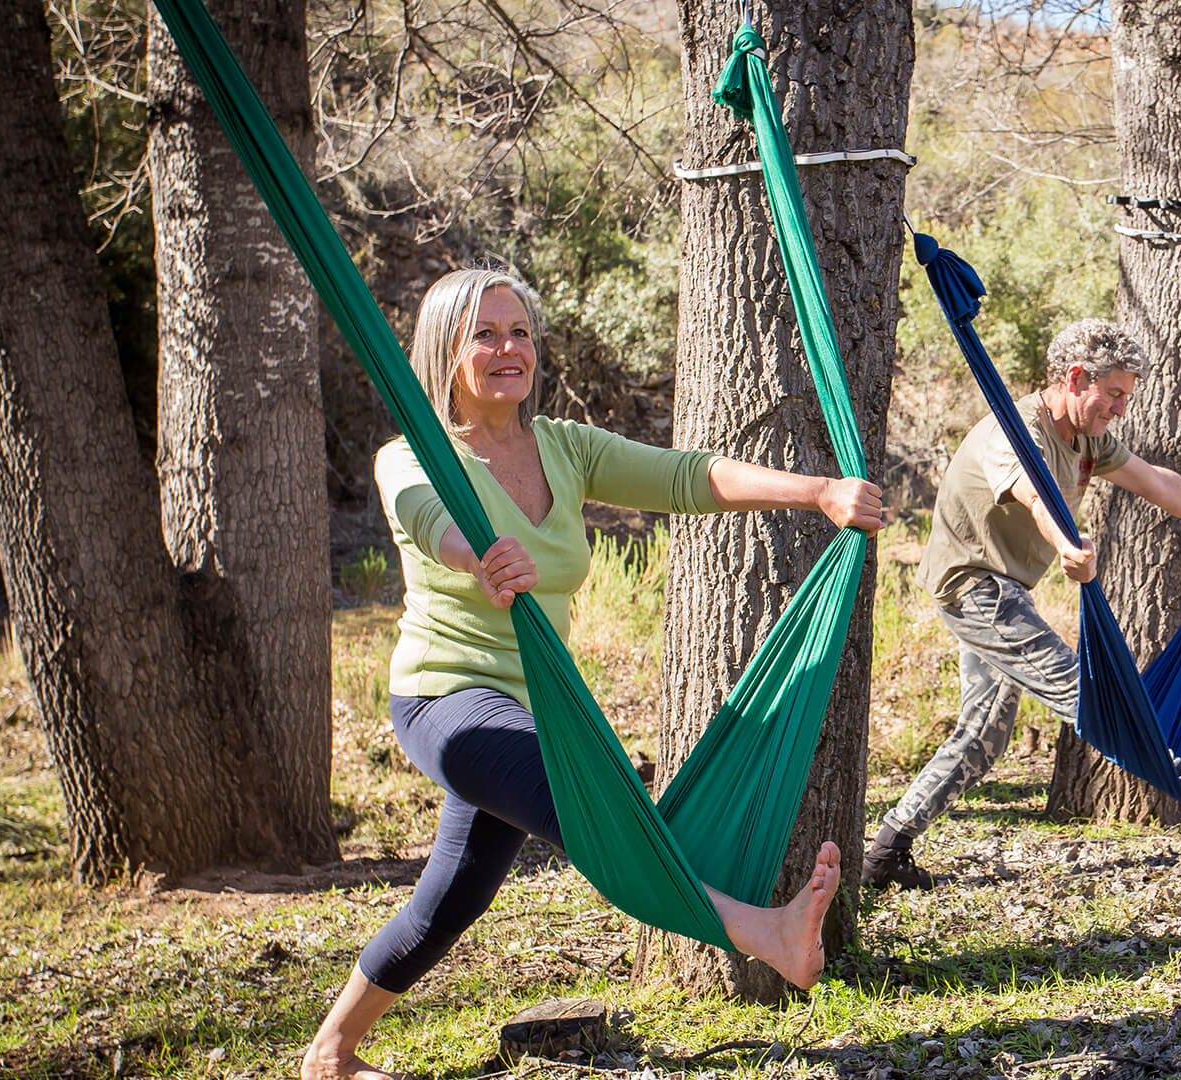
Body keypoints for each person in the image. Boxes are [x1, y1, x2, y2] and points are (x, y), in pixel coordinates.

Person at [301, 268, 885, 1080]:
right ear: (444, 350)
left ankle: (330, 1054)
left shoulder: (564, 448)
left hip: (533, 703)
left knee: (454, 895)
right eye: (485, 334)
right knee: (600, 815)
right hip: (447, 699)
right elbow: (426, 517)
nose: (510, 350)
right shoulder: (411, 455)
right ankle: (763, 932)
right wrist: (481, 559)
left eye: (521, 332)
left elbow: (687, 478)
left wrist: (818, 491)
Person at [861, 319, 1181, 891]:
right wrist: (1066, 546)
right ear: (1076, 378)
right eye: (1113, 395)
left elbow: (1154, 481)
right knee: (1086, 690)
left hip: (1005, 589)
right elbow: (1034, 492)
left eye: (1127, 396)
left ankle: (885, 854)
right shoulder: (1015, 432)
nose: (1121, 410)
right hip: (974, 588)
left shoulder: (1088, 438)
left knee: (983, 736)